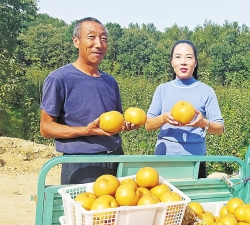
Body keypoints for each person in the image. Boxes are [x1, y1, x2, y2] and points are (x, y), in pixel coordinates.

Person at [40, 17, 135, 184]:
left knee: (115, 209)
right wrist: (86, 131)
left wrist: (125, 125)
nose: (98, 44)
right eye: (91, 37)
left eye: (104, 39)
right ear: (76, 41)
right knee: (82, 208)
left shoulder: (110, 81)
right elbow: (46, 128)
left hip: (115, 156)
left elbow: (116, 120)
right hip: (80, 162)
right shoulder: (59, 79)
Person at [145, 40, 224, 178]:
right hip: (164, 158)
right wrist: (163, 119)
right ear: (172, 62)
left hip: (195, 160)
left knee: (193, 199)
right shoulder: (162, 90)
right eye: (178, 57)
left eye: (188, 57)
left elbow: (219, 129)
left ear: (195, 62)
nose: (183, 62)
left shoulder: (206, 91)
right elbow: (148, 124)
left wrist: (203, 123)